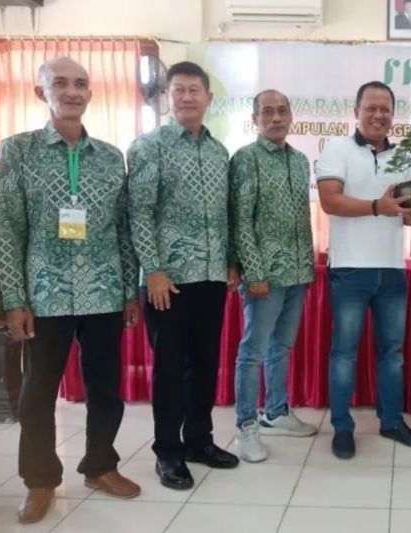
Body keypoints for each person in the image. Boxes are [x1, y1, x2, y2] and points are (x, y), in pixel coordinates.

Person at [0, 57, 141, 524]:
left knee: (106, 388)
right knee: (37, 394)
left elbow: (122, 229)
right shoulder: (19, 150)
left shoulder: (109, 155)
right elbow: (6, 228)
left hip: (101, 289)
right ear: (42, 93)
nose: (72, 91)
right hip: (45, 292)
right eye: (61, 83)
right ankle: (40, 482)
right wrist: (14, 299)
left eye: (81, 83)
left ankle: (100, 466)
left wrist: (128, 289)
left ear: (91, 93)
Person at [128, 61, 240, 490]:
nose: (188, 97)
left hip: (211, 278)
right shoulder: (149, 146)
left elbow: (225, 215)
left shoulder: (219, 152)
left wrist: (229, 261)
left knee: (205, 365)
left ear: (209, 98)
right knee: (170, 369)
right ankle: (167, 453)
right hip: (167, 282)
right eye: (180, 90)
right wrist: (152, 270)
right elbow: (139, 212)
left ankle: (199, 441)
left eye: (196, 90)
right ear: (168, 97)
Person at [316, 80, 411, 459]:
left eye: (386, 109)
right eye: (371, 108)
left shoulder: (407, 157)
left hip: (392, 269)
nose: (379, 115)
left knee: (392, 353)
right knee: (344, 353)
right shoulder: (337, 148)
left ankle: (392, 421)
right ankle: (343, 428)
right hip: (350, 269)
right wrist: (378, 207)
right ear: (356, 112)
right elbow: (330, 201)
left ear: (393, 115)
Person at [230, 89, 317, 463]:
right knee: (253, 351)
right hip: (263, 275)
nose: (276, 118)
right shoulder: (245, 160)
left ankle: (277, 411)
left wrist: (307, 265)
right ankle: (246, 425)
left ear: (291, 116)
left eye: (282, 111)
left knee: (282, 346)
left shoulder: (299, 161)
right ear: (255, 119)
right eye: (268, 112)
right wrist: (253, 271)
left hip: (298, 272)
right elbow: (240, 221)